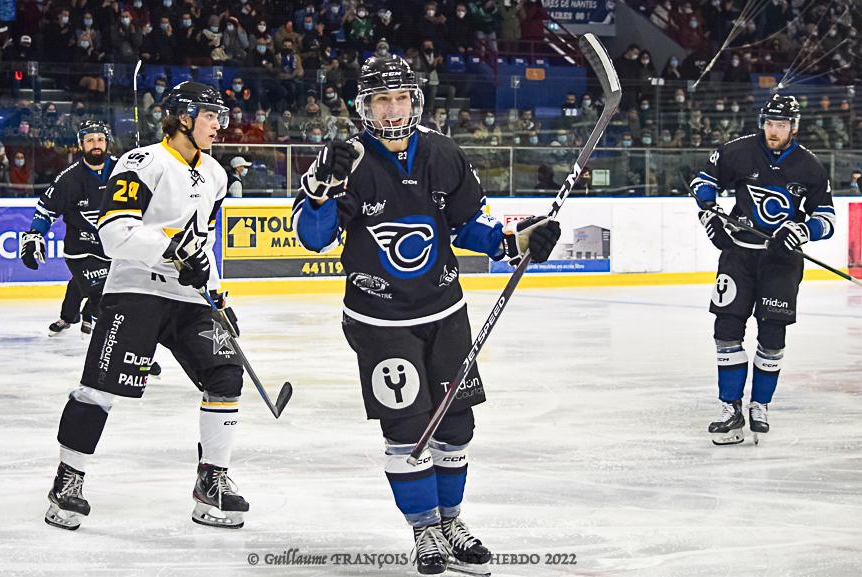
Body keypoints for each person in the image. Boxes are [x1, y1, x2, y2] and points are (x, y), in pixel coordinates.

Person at [292, 55, 560, 575]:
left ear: (415, 100)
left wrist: (517, 239)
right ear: (364, 107)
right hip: (379, 320)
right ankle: (424, 530)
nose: (392, 110)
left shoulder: (443, 152)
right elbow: (313, 237)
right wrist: (321, 186)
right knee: (408, 429)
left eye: (400, 98)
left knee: (456, 425)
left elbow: (469, 225)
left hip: (445, 312)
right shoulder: (347, 162)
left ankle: (451, 522)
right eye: (381, 100)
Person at [41, 82, 247, 531]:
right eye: (211, 115)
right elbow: (113, 234)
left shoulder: (215, 174)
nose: (220, 125)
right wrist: (172, 250)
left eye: (220, 116)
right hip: (136, 289)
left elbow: (204, 243)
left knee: (226, 374)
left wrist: (216, 294)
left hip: (188, 298)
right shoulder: (141, 162)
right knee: (100, 388)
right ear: (184, 118)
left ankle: (211, 481)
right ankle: (68, 480)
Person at [690, 94, 835, 446]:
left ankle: (760, 405)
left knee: (772, 336)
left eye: (781, 125)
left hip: (781, 261)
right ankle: (730, 408)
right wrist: (709, 212)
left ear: (793, 127)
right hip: (738, 256)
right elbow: (702, 182)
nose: (773, 130)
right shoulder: (738, 151)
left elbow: (826, 219)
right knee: (726, 330)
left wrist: (802, 230)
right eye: (769, 123)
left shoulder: (810, 166)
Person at [19, 120, 116, 336]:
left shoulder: (123, 170)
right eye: (90, 140)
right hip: (81, 248)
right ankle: (98, 319)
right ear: (81, 144)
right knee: (100, 292)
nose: (96, 144)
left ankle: (69, 317)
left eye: (100, 139)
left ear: (107, 142)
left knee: (80, 283)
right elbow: (46, 211)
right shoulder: (68, 179)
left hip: (114, 246)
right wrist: (34, 234)